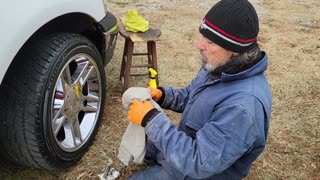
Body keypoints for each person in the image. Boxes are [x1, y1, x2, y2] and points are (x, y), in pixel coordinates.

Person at [126, 0, 272, 179]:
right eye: (201, 35)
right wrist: (163, 96)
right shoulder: (219, 66)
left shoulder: (242, 107)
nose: (199, 45)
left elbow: (199, 161)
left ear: (234, 51)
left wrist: (151, 119)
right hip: (187, 149)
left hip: (199, 172)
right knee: (145, 139)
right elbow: (191, 96)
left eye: (210, 42)